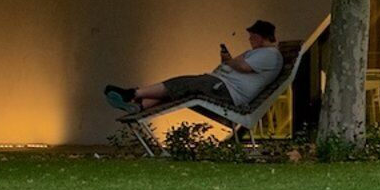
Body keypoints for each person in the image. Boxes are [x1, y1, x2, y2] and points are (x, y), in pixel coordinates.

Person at [107, 20, 286, 116]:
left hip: (228, 92)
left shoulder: (270, 55)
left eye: (252, 37)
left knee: (184, 84)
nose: (250, 40)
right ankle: (139, 106)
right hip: (221, 85)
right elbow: (233, 62)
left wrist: (229, 61)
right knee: (181, 89)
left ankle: (132, 94)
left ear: (262, 37)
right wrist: (228, 60)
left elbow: (241, 66)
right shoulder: (258, 52)